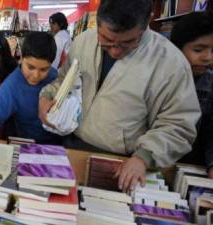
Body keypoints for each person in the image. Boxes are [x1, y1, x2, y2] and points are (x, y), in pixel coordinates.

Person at [39, 0, 201, 192]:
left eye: (128, 43)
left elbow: (179, 124)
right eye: (107, 41)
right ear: (97, 23)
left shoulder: (170, 62)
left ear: (146, 24)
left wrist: (144, 156)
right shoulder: (83, 42)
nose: (115, 51)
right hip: (72, 146)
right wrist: (47, 96)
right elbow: (64, 80)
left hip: (124, 163)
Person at [0, 31, 63, 152]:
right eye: (30, 67)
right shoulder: (13, 84)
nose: (36, 75)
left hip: (59, 146)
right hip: (28, 148)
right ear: (21, 58)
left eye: (44, 69)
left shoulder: (55, 76)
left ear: (51, 64)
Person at [170, 11, 213, 178]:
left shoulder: (209, 83)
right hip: (151, 159)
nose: (207, 57)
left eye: (212, 50)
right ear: (176, 49)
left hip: (192, 167)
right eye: (198, 49)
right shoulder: (159, 77)